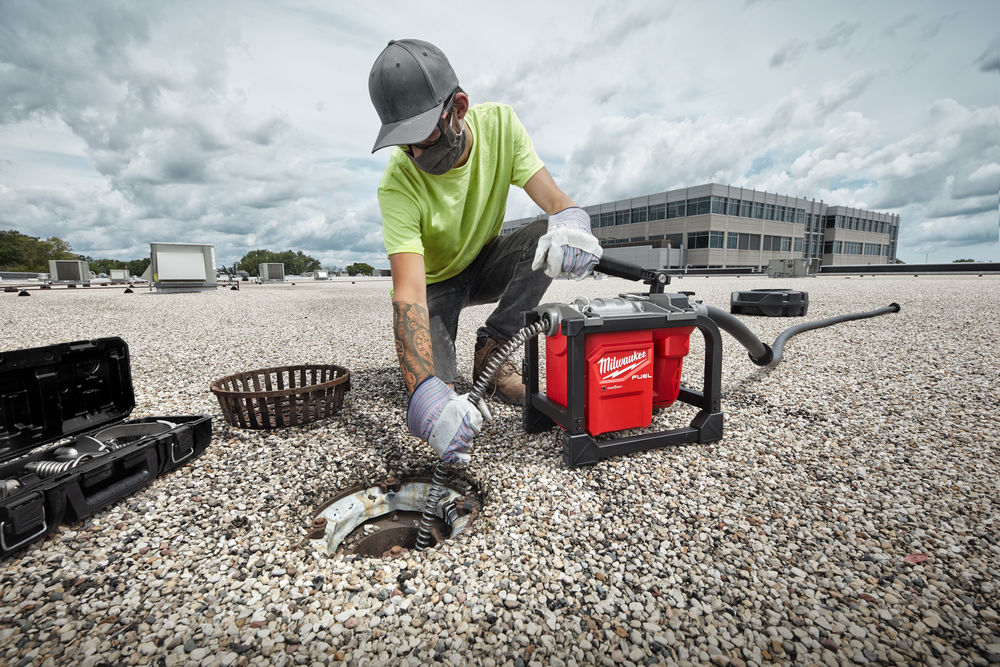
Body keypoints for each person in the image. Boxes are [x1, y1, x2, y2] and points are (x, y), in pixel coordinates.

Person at [368, 39, 602, 465]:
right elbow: (408, 292)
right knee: (438, 388)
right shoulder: (398, 183)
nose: (417, 155)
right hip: (436, 283)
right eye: (405, 145)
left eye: (422, 137)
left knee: (541, 235)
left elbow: (557, 204)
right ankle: (438, 382)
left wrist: (573, 224)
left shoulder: (501, 127)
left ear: (458, 107)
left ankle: (493, 347)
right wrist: (423, 392)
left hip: (485, 259)